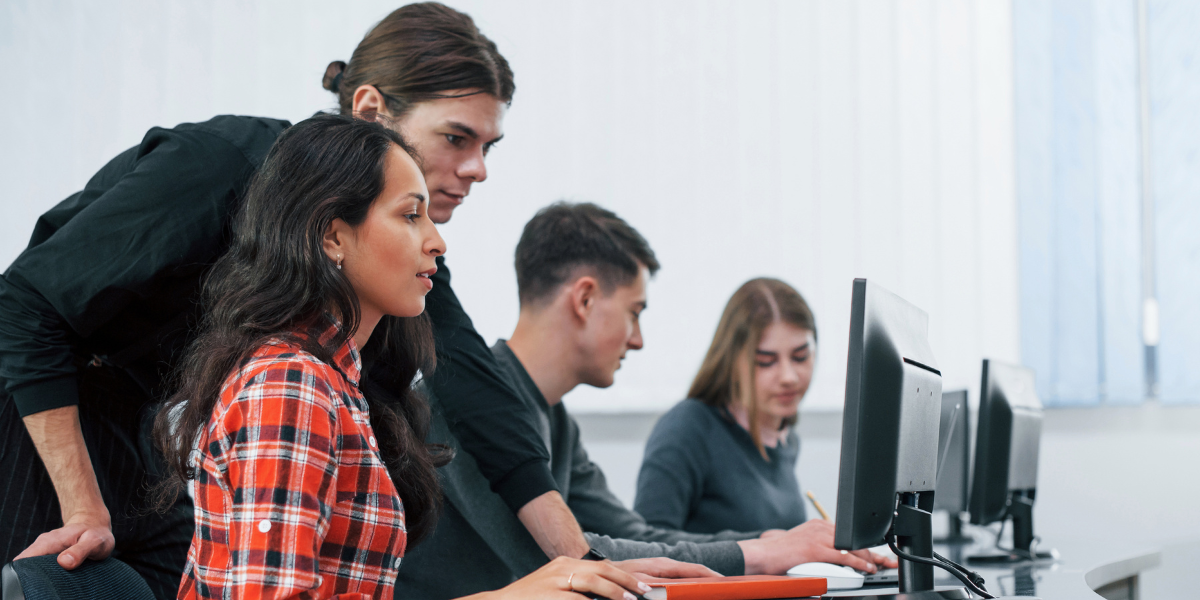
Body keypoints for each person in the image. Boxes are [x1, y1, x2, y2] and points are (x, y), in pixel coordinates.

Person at [0, 5, 588, 598]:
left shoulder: (378, 280)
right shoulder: (222, 169)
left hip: (133, 426)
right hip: (37, 404)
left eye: (489, 145)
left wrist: (581, 559)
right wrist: (83, 508)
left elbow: (472, 386)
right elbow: (23, 304)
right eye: (456, 138)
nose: (478, 169)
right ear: (369, 111)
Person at [158, 113, 651, 600]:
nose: (436, 242)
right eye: (410, 215)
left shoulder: (337, 385)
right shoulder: (289, 383)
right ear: (332, 236)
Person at [397, 203, 893, 600]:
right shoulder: (472, 408)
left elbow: (632, 531)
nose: (637, 341)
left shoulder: (556, 420)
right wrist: (760, 554)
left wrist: (773, 544)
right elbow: (570, 559)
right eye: (634, 313)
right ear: (585, 299)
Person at [633, 278, 817, 535]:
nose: (789, 376)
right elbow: (646, 546)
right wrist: (768, 548)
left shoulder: (785, 438)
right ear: (732, 361)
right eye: (765, 361)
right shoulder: (687, 428)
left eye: (800, 357)